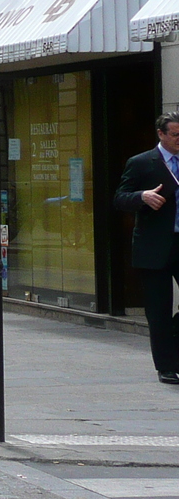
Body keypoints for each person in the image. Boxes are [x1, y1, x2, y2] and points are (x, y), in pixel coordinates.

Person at [114, 111, 179, 385]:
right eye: (175, 134)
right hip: (155, 248)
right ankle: (166, 366)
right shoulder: (141, 163)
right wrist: (143, 196)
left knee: (168, 319)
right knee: (158, 309)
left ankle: (172, 337)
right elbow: (119, 198)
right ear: (161, 134)